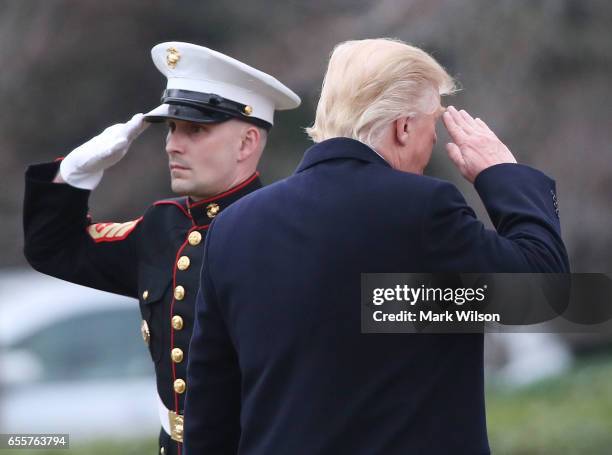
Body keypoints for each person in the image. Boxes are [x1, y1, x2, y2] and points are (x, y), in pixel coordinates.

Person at [183, 38, 569, 454]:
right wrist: (502, 175)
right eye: (431, 124)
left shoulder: (233, 227)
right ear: (403, 127)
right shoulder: (420, 209)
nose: (434, 141)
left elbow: (210, 412)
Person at [23, 41, 300, 455]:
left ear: (245, 144)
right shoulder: (164, 226)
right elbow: (53, 248)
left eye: (196, 130)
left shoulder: (289, 228)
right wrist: (74, 174)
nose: (172, 145)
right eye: (171, 128)